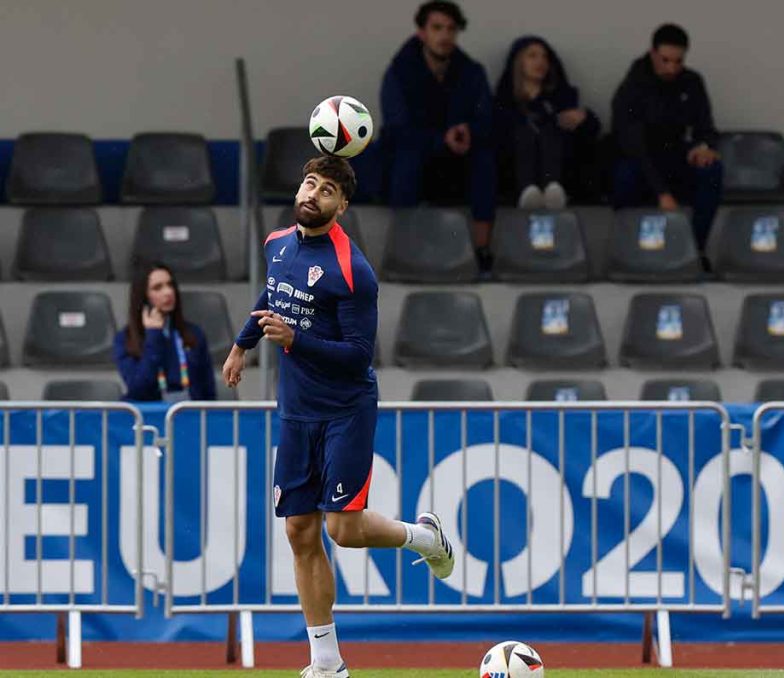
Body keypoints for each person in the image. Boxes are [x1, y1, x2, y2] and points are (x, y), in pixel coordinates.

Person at [223, 155, 455, 678]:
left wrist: (294, 339)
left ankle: (424, 537)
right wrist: (243, 344)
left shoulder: (353, 270)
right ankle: (327, 664)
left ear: (342, 206)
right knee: (300, 532)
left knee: (343, 531)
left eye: (327, 190)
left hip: (344, 411)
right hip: (296, 411)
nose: (313, 194)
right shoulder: (277, 244)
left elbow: (357, 354)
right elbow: (274, 291)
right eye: (309, 183)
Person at [380, 0, 496, 266]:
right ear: (422, 33)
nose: (445, 35)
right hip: (416, 154)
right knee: (407, 158)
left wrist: (468, 131)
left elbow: (486, 119)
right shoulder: (399, 72)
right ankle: (404, 248)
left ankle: (482, 250)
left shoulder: (471, 72)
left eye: (451, 29)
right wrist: (440, 139)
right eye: (437, 28)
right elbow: (397, 128)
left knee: (484, 159)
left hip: (457, 158)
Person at [611, 23, 722, 255]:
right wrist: (662, 193)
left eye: (678, 61)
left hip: (675, 154)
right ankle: (630, 249)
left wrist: (704, 147)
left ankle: (695, 249)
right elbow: (634, 144)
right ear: (653, 54)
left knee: (711, 170)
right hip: (640, 160)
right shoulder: (633, 87)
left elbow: (706, 126)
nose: (672, 68)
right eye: (665, 60)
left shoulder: (692, 82)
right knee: (624, 175)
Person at [493, 35, 601, 209]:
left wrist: (584, 118)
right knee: (524, 132)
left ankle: (553, 189)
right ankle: (527, 191)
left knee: (550, 130)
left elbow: (590, 131)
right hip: (513, 168)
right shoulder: (504, 101)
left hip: (561, 166)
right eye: (532, 56)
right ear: (518, 62)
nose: (540, 62)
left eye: (545, 57)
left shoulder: (561, 97)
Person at [113, 262, 216, 402]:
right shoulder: (125, 339)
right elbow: (138, 388)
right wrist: (154, 335)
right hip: (148, 413)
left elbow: (208, 391)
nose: (168, 292)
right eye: (157, 288)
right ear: (143, 296)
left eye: (170, 285)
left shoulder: (194, 334)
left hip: (189, 410)